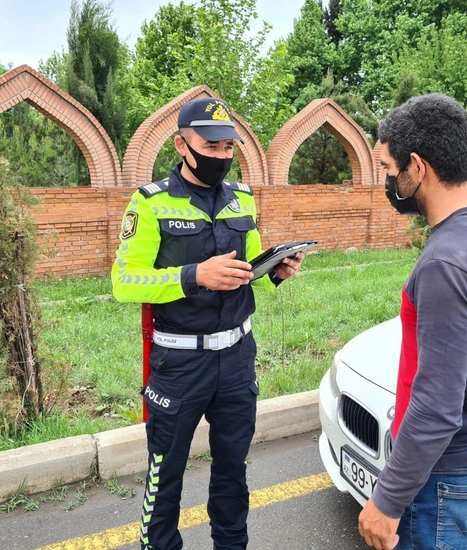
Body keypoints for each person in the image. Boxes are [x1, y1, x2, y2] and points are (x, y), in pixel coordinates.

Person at [111, 97, 304, 550]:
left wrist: (273, 270)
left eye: (228, 147)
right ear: (182, 144)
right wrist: (195, 274)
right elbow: (124, 282)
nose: (220, 156)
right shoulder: (151, 203)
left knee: (233, 473)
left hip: (237, 359)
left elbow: (247, 266)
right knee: (166, 477)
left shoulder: (242, 198)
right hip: (179, 363)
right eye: (210, 146)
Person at [357, 93, 467, 550]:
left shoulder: (446, 263)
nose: (389, 181)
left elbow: (437, 407)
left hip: (447, 480)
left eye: (389, 170)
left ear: (417, 166)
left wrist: (388, 500)